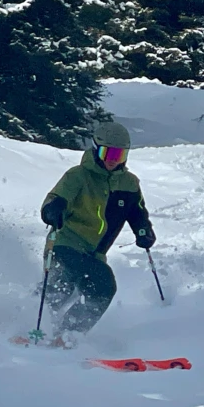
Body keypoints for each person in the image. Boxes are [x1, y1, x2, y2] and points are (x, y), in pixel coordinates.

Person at [39, 121, 156, 348]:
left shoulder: (130, 183)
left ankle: (61, 333)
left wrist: (144, 231)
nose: (113, 159)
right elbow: (55, 199)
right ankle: (53, 331)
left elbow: (137, 212)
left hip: (95, 253)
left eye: (119, 154)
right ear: (96, 149)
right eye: (107, 152)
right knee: (99, 285)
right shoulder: (78, 176)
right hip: (66, 243)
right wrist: (52, 210)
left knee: (75, 289)